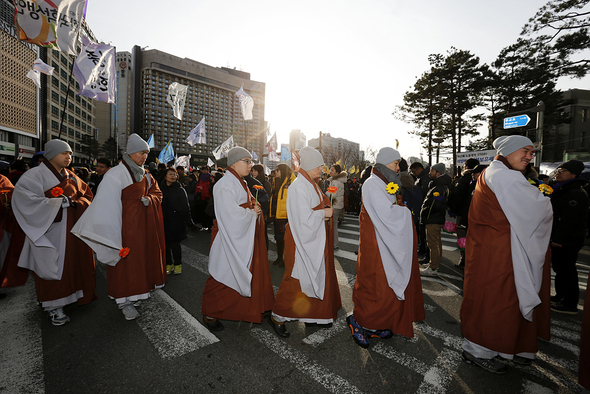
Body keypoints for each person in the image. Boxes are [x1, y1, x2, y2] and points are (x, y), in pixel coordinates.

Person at [460, 135, 552, 374]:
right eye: (525, 151)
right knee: (497, 302)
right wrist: (546, 201)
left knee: (500, 301)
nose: (530, 156)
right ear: (509, 151)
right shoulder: (505, 176)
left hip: (494, 249)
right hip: (500, 253)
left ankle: (508, 347)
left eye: (532, 153)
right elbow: (536, 209)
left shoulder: (494, 172)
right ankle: (479, 350)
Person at [72, 134, 167, 321]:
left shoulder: (146, 174)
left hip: (143, 226)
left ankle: (137, 294)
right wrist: (115, 228)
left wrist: (150, 199)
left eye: (146, 153)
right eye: (142, 153)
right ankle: (124, 302)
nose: (145, 156)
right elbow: (106, 203)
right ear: (130, 153)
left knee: (140, 261)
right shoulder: (115, 174)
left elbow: (157, 193)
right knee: (125, 263)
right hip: (123, 226)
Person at [12, 140, 96, 325]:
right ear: (50, 155)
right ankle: (54, 306)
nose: (68, 157)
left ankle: (70, 297)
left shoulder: (71, 176)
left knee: (71, 265)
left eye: (70, 153)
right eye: (63, 153)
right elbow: (25, 201)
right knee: (51, 266)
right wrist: (57, 203)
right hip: (48, 231)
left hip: (72, 229)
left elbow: (87, 195)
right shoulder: (33, 176)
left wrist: (78, 203)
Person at [348, 148, 425, 348]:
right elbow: (385, 215)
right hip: (376, 243)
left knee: (384, 287)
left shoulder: (384, 182)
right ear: (384, 163)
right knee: (373, 284)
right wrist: (405, 213)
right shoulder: (372, 184)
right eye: (395, 164)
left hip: (385, 240)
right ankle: (359, 321)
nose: (398, 168)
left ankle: (376, 324)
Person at [269, 147, 341, 338]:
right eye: (318, 165)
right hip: (302, 239)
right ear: (308, 164)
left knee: (313, 276)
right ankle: (277, 316)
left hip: (313, 237)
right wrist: (324, 213)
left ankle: (314, 316)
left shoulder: (311, 183)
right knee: (296, 280)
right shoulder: (298, 186)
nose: (321, 169)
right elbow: (303, 219)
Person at [201, 147, 275, 331]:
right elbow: (229, 215)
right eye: (246, 161)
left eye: (250, 161)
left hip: (239, 235)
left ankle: (247, 309)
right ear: (233, 163)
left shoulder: (238, 181)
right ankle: (210, 313)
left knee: (236, 273)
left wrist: (252, 208)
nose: (250, 165)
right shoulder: (225, 184)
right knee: (223, 275)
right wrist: (251, 212)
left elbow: (243, 206)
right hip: (228, 236)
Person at [549, 160, 588, 314]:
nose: (558, 172)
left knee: (567, 270)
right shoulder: (563, 189)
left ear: (573, 174)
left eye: (563, 170)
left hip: (568, 239)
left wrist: (558, 239)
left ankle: (570, 304)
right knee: (560, 268)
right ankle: (560, 296)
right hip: (562, 238)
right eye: (558, 169)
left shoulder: (575, 193)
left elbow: (568, 220)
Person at [160, 168, 197, 275]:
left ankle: (178, 264)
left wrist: (190, 223)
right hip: (163, 221)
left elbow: (185, 208)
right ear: (165, 176)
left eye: (175, 175)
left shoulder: (180, 190)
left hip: (176, 222)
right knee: (165, 245)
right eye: (170, 174)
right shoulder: (160, 188)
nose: (172, 176)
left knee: (175, 245)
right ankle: (168, 264)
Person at [419, 163, 452, 276]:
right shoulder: (440, 185)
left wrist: (426, 213)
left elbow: (436, 204)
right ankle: (434, 264)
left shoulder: (439, 187)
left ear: (438, 173)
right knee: (436, 243)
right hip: (435, 219)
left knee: (433, 244)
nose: (430, 173)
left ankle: (433, 267)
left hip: (433, 219)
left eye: (432, 171)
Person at [447, 158, 480, 267]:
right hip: (476, 213)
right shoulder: (483, 180)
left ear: (466, 167)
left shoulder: (464, 179)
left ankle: (464, 259)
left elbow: (457, 196)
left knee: (462, 237)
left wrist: (452, 209)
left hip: (463, 212)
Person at [269, 163, 296, 267]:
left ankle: (287, 260)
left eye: (277, 170)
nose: (275, 172)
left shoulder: (291, 182)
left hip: (286, 216)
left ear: (283, 171)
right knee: (278, 238)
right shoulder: (276, 182)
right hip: (277, 214)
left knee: (287, 240)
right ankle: (279, 257)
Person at [409, 162, 431, 260]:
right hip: (420, 208)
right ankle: (422, 250)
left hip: (425, 208)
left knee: (425, 233)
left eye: (414, 172)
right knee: (420, 230)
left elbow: (424, 193)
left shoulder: (425, 178)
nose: (414, 174)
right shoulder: (421, 178)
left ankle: (426, 252)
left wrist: (414, 191)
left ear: (419, 169)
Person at [326, 164, 347, 249]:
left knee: (332, 226)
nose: (330, 171)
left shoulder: (335, 182)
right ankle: (334, 243)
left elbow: (332, 195)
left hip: (334, 205)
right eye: (331, 169)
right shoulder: (338, 181)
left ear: (337, 172)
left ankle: (334, 244)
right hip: (338, 205)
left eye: (332, 170)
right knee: (333, 226)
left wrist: (325, 193)